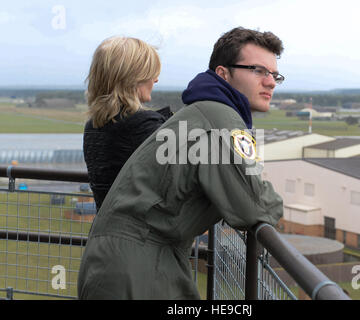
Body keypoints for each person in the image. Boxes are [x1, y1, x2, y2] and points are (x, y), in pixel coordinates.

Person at [78, 27, 285, 300]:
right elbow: (254, 205)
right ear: (223, 74)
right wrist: (270, 199)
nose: (270, 82)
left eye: (275, 75)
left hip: (128, 260)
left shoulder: (200, 115)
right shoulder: (217, 119)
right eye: (258, 70)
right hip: (136, 266)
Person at [83, 36, 172, 211]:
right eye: (151, 72)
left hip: (106, 229)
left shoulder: (93, 125)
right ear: (133, 78)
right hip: (143, 235)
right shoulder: (141, 126)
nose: (155, 80)